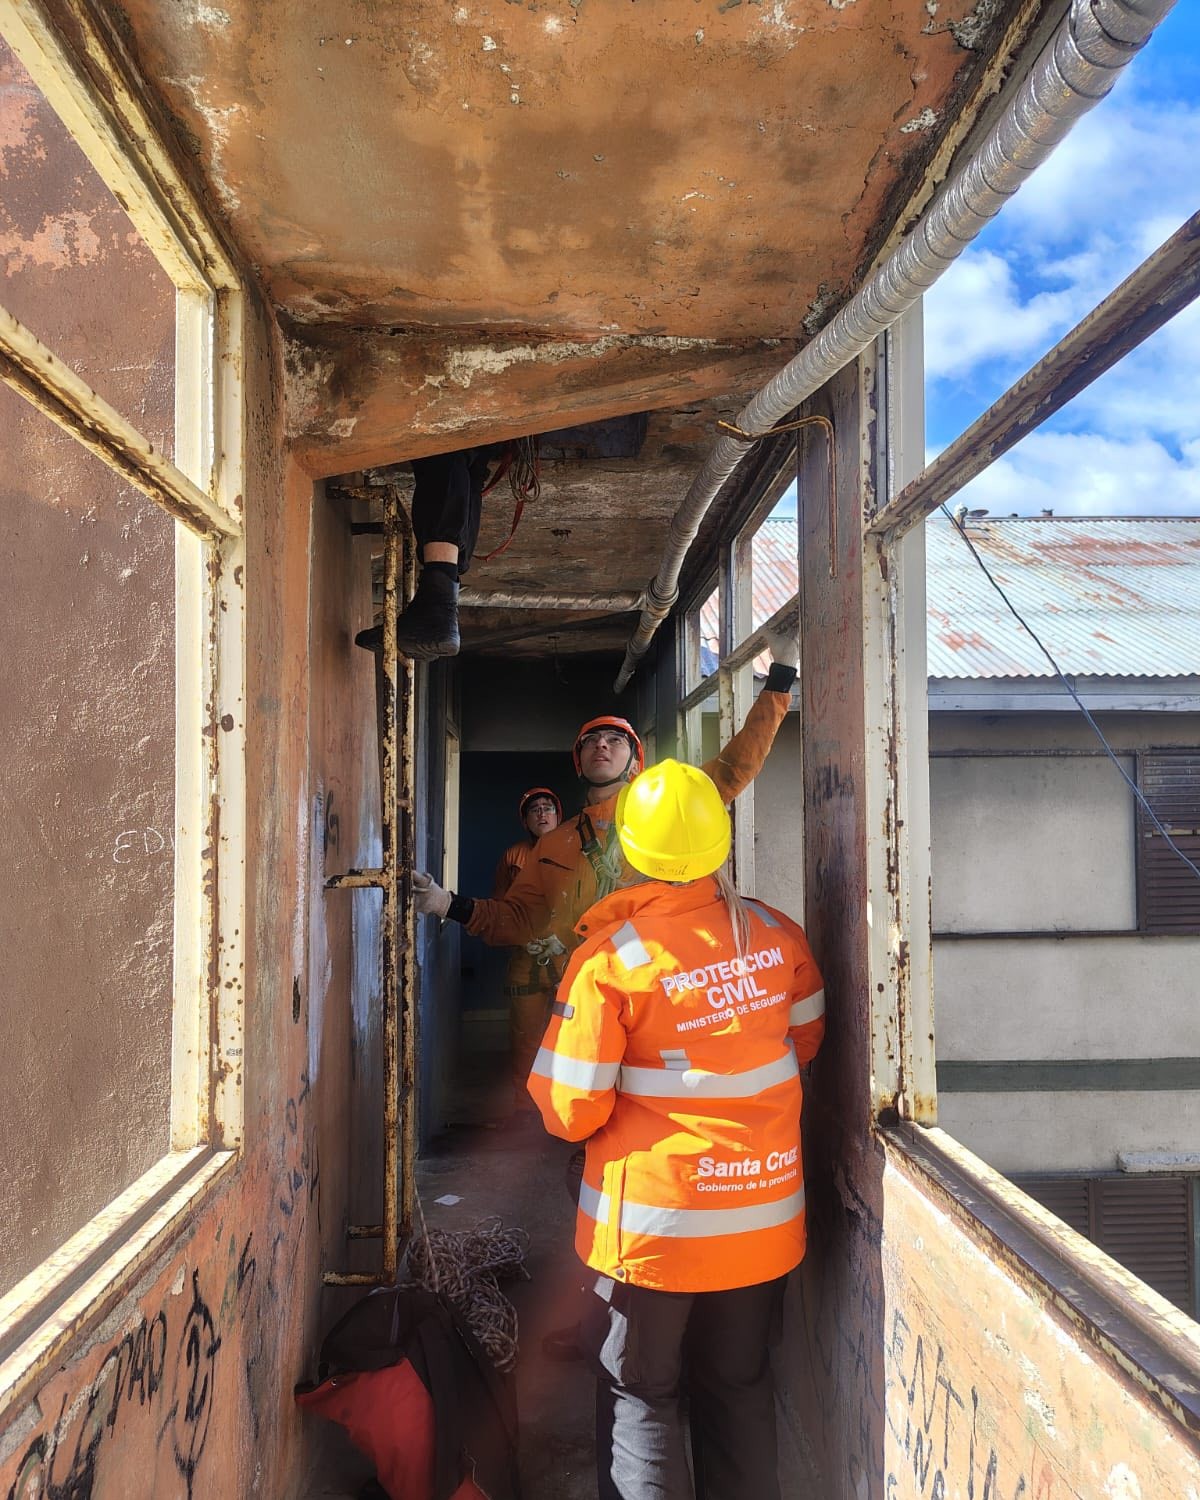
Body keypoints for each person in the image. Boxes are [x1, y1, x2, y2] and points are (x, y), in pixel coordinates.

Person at [527, 759, 825, 1500]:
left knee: (642, 1394)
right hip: (761, 1223)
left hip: (655, 1233)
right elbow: (806, 1040)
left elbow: (570, 1110)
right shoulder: (774, 935)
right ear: (719, 846)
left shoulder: (611, 961)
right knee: (739, 1384)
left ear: (629, 851)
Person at [412, 628, 801, 966]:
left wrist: (781, 676)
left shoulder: (671, 803)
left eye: (616, 741)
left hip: (670, 974)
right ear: (578, 762)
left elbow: (736, 766)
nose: (602, 746)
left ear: (635, 763)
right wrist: (444, 903)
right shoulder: (553, 845)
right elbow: (514, 917)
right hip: (596, 986)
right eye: (591, 742)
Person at [492, 788, 564, 1113]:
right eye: (535, 810)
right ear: (526, 820)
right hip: (526, 958)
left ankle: (565, 1108)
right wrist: (521, 938)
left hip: (568, 956)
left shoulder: (576, 850)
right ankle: (526, 1109)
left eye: (548, 808)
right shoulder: (513, 857)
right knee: (525, 1038)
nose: (542, 814)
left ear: (558, 815)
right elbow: (501, 907)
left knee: (572, 1035)